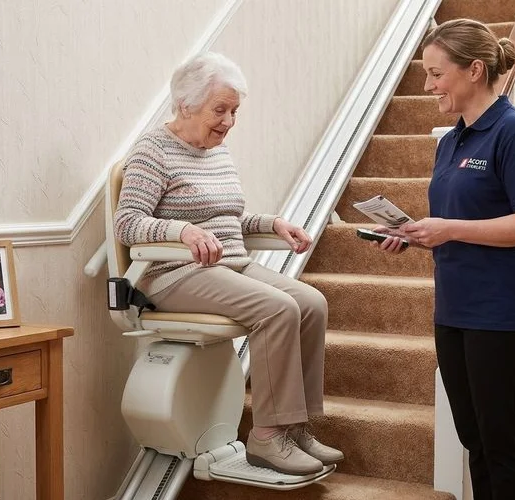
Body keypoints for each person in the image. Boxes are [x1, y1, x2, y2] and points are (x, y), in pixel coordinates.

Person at [113, 52, 343, 476]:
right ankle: (268, 437)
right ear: (185, 104)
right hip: (174, 275)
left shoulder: (219, 153)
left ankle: (295, 426)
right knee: (278, 308)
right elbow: (128, 223)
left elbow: (228, 219)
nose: (229, 121)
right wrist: (181, 232)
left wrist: (273, 224)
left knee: (311, 302)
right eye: (220, 109)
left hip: (229, 264)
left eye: (234, 110)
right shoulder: (153, 150)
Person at [371, 19, 515, 500]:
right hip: (453, 310)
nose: (429, 86)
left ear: (475, 70)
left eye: (436, 74)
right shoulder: (451, 141)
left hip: (504, 313)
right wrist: (415, 233)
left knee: (502, 444)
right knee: (474, 440)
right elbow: (460, 219)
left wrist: (448, 228)